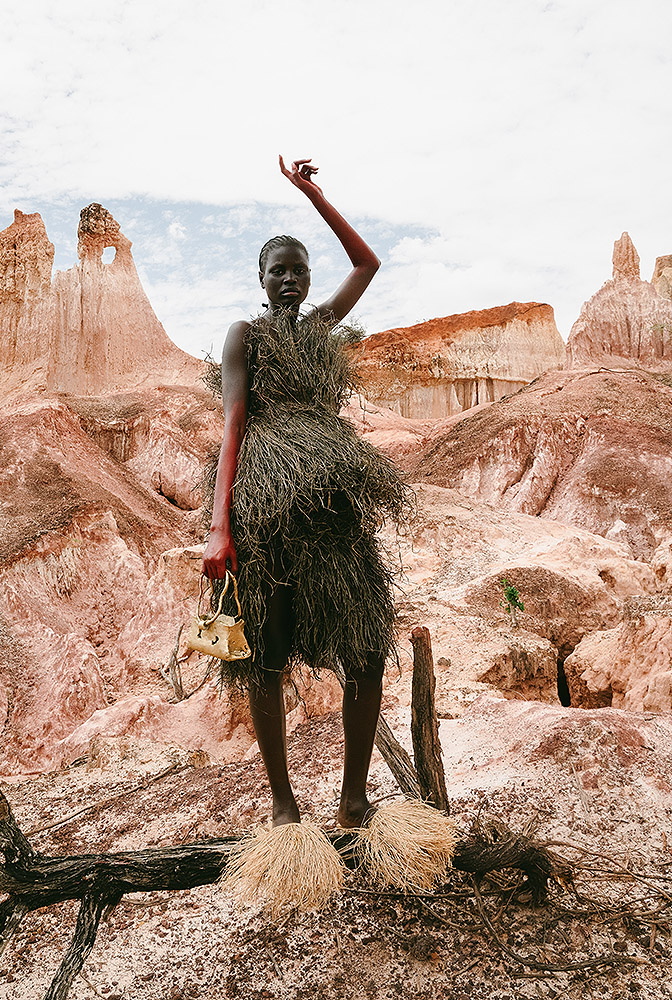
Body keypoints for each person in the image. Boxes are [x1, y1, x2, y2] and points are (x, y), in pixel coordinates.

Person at [202, 156, 410, 830]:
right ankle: (285, 808)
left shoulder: (321, 330)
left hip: (331, 510)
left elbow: (368, 265)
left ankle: (354, 800)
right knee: (263, 651)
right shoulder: (247, 336)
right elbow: (234, 423)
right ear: (260, 281)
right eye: (277, 270)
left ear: (309, 278)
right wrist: (218, 527)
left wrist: (313, 195)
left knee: (366, 644)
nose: (288, 279)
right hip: (266, 510)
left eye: (298, 269)